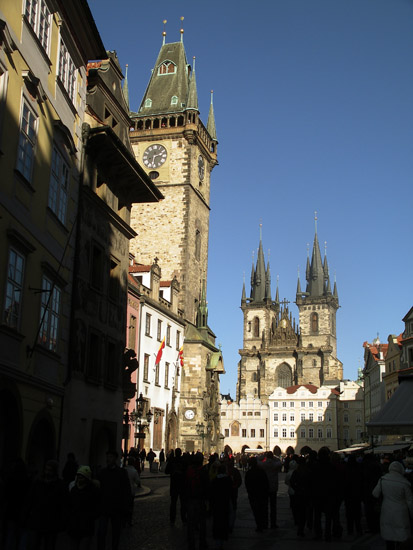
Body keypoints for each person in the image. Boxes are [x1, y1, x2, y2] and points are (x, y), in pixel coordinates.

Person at [23, 459, 68, 550]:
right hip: (37, 520)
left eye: (50, 470)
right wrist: (26, 515)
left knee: (49, 545)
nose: (47, 472)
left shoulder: (60, 485)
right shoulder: (38, 483)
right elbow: (30, 499)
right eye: (46, 470)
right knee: (34, 545)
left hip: (51, 522)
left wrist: (62, 521)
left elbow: (64, 504)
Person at [372, 461, 413, 550]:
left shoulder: (383, 480)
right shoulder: (404, 483)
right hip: (401, 512)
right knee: (401, 537)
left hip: (386, 510)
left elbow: (375, 493)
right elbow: (410, 501)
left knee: (389, 536)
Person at [97, 450, 131, 550]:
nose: (108, 459)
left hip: (117, 508)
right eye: (107, 457)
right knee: (101, 532)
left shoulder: (121, 473)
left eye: (110, 457)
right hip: (104, 507)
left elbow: (126, 490)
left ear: (115, 459)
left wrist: (126, 507)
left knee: (116, 533)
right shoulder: (102, 472)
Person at [67, 465, 100, 550]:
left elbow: (96, 508)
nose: (79, 478)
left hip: (86, 527)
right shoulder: (74, 490)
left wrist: (90, 517)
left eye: (82, 477)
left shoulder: (93, 491)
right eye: (79, 476)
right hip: (74, 526)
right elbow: (69, 505)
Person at [210, 462, 232, 549]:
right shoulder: (228, 479)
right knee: (224, 521)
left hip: (216, 504)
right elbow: (231, 490)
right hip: (225, 504)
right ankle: (222, 540)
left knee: (216, 521)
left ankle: (217, 541)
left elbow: (211, 493)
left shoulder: (215, 480)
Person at [258, 451, 282, 528]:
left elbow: (257, 460)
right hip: (273, 487)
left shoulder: (263, 465)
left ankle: (265, 523)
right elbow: (279, 461)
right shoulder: (275, 465)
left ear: (267, 457)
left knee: (265, 506)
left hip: (265, 487)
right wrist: (274, 457)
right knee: (273, 507)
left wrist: (263, 456)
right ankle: (273, 524)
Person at [245, 457, 269, 532]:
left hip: (253, 495)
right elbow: (266, 483)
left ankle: (259, 525)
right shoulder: (261, 471)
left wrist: (250, 492)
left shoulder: (249, 473)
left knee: (256, 511)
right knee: (263, 509)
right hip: (262, 494)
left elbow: (247, 484)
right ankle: (264, 524)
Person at [165, 448, 187, 525]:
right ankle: (183, 519)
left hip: (174, 484)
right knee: (183, 503)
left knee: (173, 503)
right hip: (182, 485)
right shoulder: (183, 461)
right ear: (180, 453)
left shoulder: (172, 460)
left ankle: (172, 520)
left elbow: (166, 471)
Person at [124, 457, 141, 525]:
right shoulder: (134, 471)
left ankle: (123, 521)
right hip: (131, 491)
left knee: (124, 506)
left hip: (123, 491)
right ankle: (129, 521)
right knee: (130, 507)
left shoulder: (124, 469)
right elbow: (137, 481)